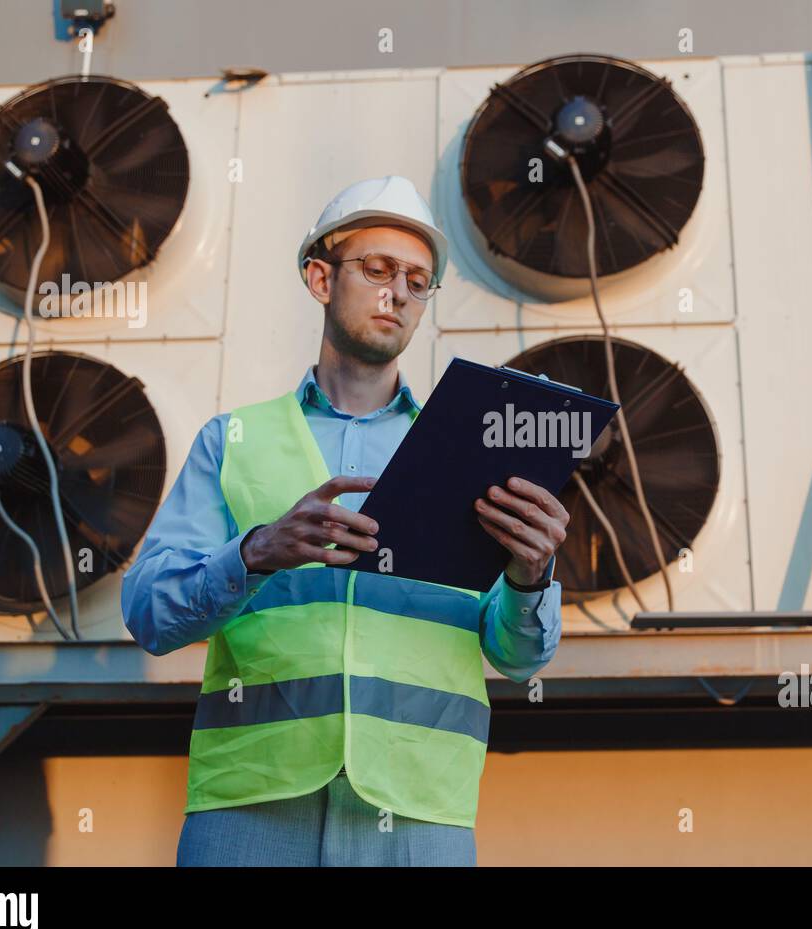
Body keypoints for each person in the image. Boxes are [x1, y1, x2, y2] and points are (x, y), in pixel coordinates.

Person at [121, 174, 568, 866]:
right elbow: (149, 615)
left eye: (418, 281)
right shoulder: (233, 440)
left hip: (420, 808)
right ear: (320, 278)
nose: (397, 293)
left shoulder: (474, 453)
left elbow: (518, 657)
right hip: (250, 804)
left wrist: (531, 578)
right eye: (379, 269)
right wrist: (256, 552)